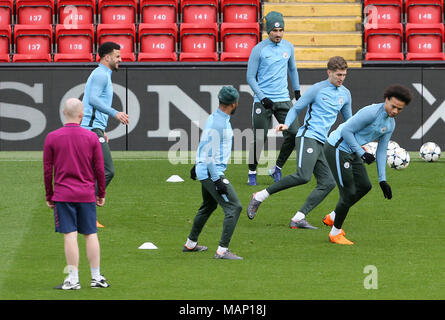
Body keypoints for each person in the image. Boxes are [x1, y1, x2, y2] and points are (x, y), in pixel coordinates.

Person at [247, 56, 352, 229]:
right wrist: (287, 124)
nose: (341, 78)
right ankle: (259, 196)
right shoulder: (317, 89)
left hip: (321, 142)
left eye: (344, 75)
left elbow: (349, 122)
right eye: (338, 74)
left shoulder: (345, 94)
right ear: (329, 72)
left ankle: (298, 218)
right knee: (303, 176)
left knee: (328, 183)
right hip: (307, 136)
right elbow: (296, 108)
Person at [322, 84, 413, 245]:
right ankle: (335, 233)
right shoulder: (371, 112)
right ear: (386, 100)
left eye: (399, 109)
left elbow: (381, 150)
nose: (395, 112)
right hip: (337, 148)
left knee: (364, 186)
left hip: (353, 150)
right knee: (348, 193)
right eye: (393, 106)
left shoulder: (390, 124)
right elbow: (346, 131)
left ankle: (333, 216)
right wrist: (362, 153)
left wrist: (382, 180)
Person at [43, 98, 110, 290]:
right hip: (86, 193)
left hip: (63, 194)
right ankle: (96, 277)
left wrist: (49, 195)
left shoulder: (52, 137)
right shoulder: (90, 138)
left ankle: (73, 279)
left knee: (70, 235)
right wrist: (101, 193)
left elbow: (48, 170)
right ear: (82, 116)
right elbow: (99, 168)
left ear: (64, 113)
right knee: (91, 234)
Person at [184, 86, 243, 260]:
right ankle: (222, 250)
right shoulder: (219, 123)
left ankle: (191, 243)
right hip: (212, 172)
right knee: (234, 207)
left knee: (209, 205)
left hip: (206, 169)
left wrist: (197, 165)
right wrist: (217, 180)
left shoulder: (215, 117)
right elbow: (209, 153)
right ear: (233, 104)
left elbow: (204, 143)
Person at [246, 11, 301, 186]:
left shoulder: (288, 47)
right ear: (268, 31)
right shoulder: (258, 49)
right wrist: (262, 98)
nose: (278, 34)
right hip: (263, 102)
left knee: (294, 133)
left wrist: (297, 91)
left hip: (283, 99)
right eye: (275, 31)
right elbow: (250, 77)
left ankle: (276, 168)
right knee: (259, 137)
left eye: (281, 30)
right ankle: (252, 172)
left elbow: (292, 70)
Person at [81, 41, 129, 228]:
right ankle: (86, 211)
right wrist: (115, 113)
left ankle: (84, 212)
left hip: (93, 129)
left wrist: (101, 130)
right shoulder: (101, 74)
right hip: (90, 130)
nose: (120, 59)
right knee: (107, 170)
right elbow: (92, 100)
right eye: (117, 56)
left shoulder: (102, 74)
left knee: (90, 173)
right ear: (107, 57)